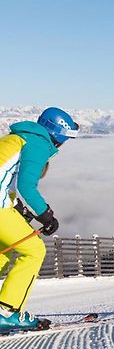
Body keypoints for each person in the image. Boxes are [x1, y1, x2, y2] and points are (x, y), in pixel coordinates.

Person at [0, 107, 79, 334]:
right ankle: (7, 311)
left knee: (5, 250)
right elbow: (26, 185)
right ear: (59, 134)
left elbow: (6, 180)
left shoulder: (17, 137)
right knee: (34, 250)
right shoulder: (38, 143)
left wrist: (19, 209)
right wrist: (45, 215)